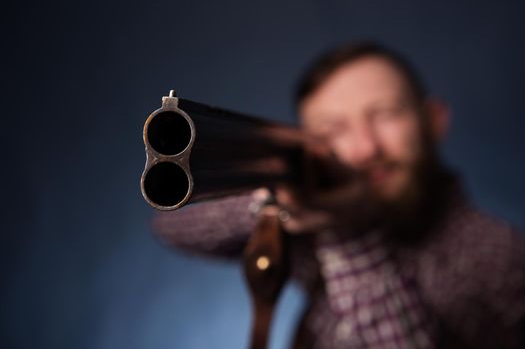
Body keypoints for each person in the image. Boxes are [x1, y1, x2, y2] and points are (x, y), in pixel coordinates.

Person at [153, 42, 525, 348]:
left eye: (385, 115)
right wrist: (271, 201)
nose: (365, 149)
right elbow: (172, 225)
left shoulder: (499, 255)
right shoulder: (304, 217)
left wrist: (350, 230)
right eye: (333, 131)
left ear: (434, 121)